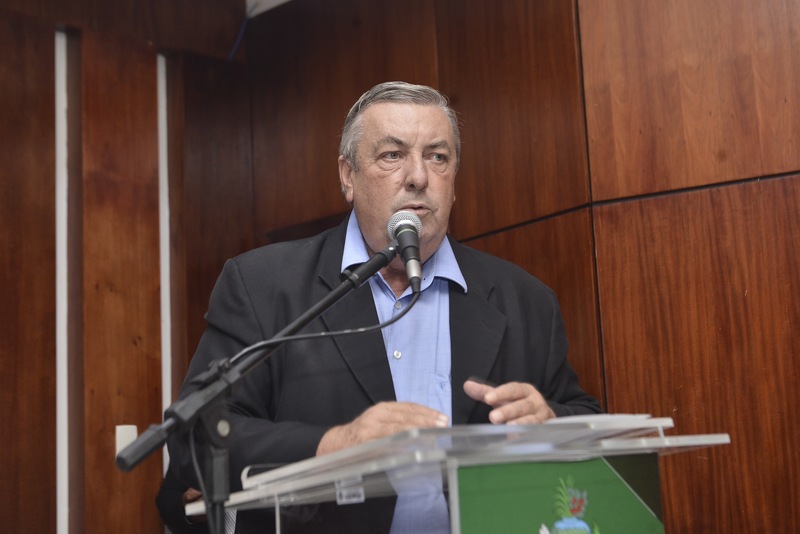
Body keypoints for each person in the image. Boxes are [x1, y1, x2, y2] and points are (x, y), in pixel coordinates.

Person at [167, 81, 602, 533]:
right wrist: (333, 444)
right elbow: (194, 437)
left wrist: (551, 422)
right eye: (392, 155)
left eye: (437, 157)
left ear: (454, 180)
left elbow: (587, 418)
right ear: (347, 176)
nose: (418, 176)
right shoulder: (265, 285)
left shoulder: (524, 299)